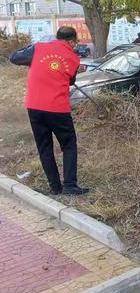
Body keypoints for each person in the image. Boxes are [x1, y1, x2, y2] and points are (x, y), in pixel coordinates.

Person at [10, 26, 89, 195]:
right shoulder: (74, 59)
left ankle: (55, 187)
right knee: (68, 145)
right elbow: (69, 81)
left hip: (34, 107)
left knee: (45, 147)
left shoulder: (38, 48)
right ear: (71, 41)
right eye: (75, 42)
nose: (75, 45)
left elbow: (14, 57)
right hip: (57, 108)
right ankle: (69, 185)